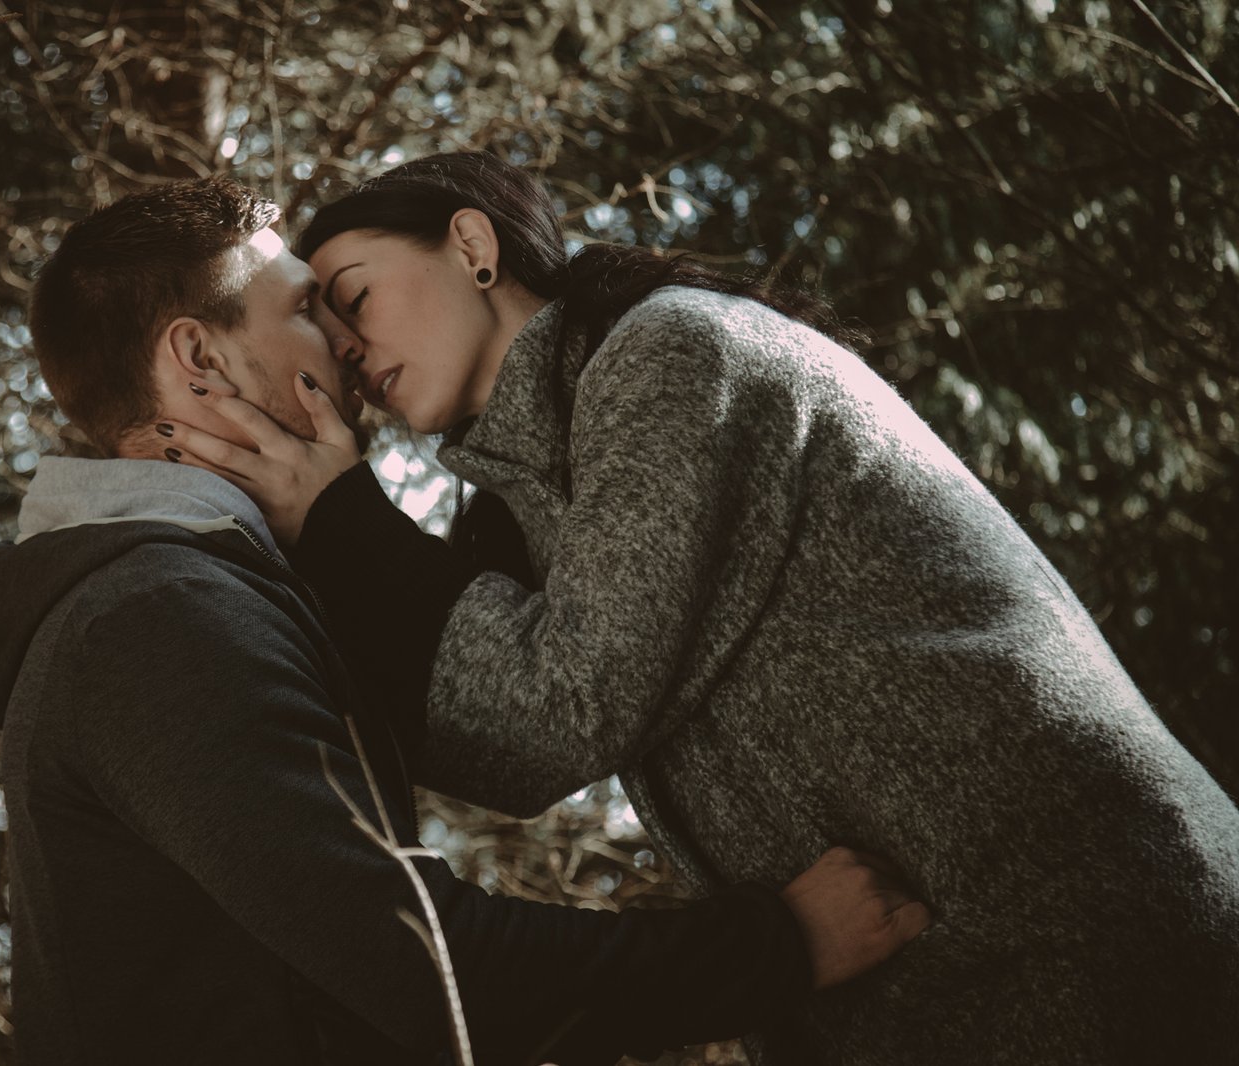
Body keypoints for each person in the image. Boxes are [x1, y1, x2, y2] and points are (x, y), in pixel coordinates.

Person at [165, 152, 1239, 1064]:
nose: (345, 352)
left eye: (353, 298)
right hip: (923, 978)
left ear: (473, 245)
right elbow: (506, 757)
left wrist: (343, 519)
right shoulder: (528, 499)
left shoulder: (672, 353)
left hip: (1073, 917)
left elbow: (560, 705)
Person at [0, 178, 929, 1066]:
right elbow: (439, 976)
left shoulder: (184, 596)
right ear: (200, 359)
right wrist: (783, 945)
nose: (343, 342)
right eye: (304, 307)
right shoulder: (155, 613)